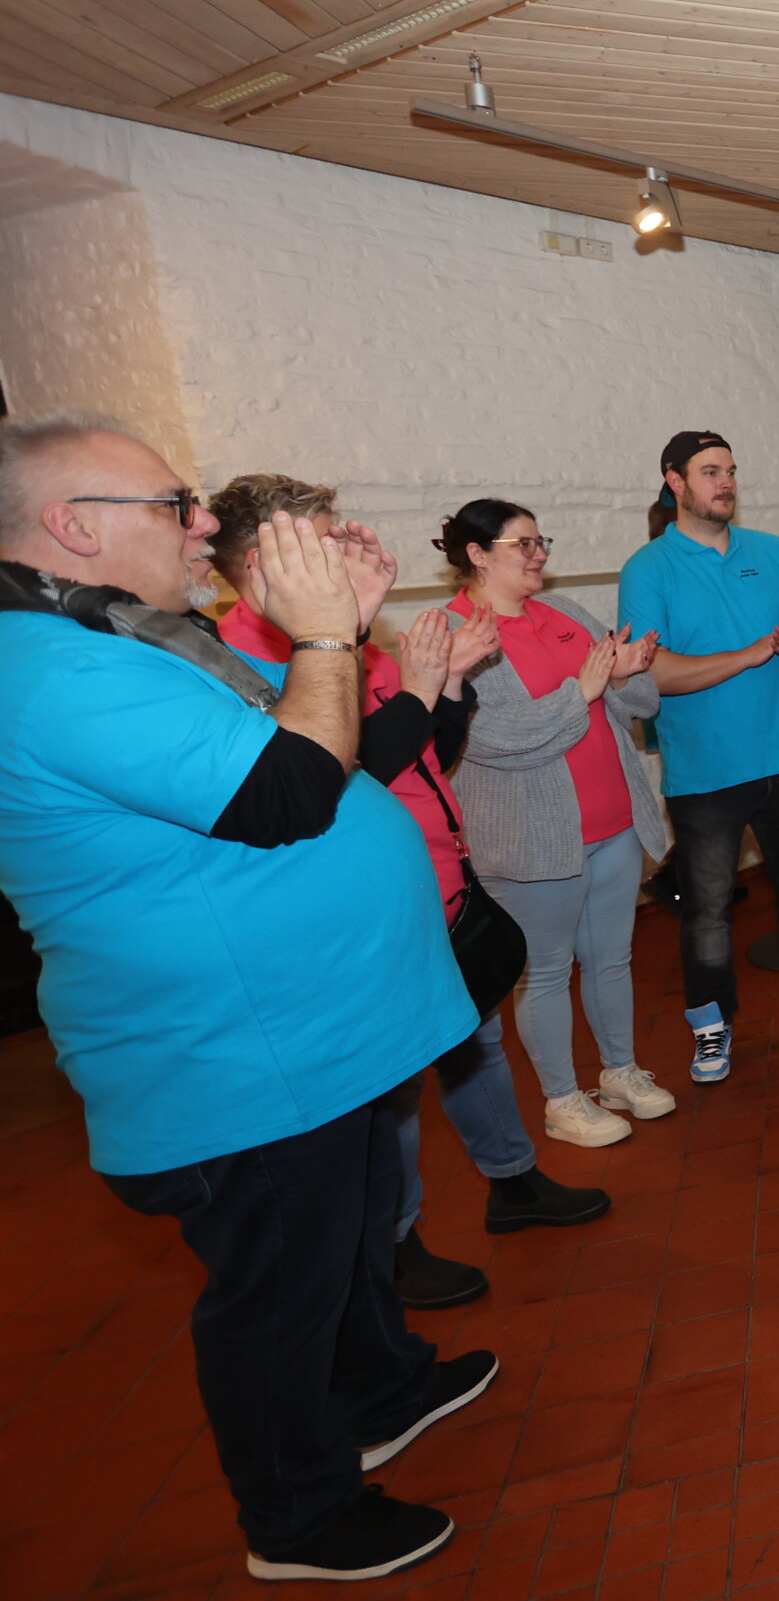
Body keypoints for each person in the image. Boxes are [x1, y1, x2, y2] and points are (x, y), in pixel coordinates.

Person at [0, 414, 491, 1581]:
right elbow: (289, 791)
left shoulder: (127, 634)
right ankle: (298, 1518)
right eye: (176, 506)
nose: (205, 522)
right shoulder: (50, 671)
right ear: (72, 526)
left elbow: (331, 742)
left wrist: (343, 631)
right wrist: (323, 635)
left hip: (317, 1033)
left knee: (351, 1232)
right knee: (279, 1292)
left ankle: (379, 1390)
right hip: (241, 1056)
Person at [206, 476, 608, 1313]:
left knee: (471, 1043)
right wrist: (422, 686)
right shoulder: (244, 662)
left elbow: (429, 749)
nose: (345, 551)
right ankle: (397, 1241)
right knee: (390, 1086)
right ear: (263, 559)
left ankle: (513, 1179)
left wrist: (447, 684)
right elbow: (343, 774)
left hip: (434, 886)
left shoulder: (348, 637)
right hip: (365, 911)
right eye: (325, 541)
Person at [618, 431, 779, 1088]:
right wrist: (756, 651)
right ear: (675, 481)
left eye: (731, 470)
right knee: (707, 906)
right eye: (710, 471)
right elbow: (656, 672)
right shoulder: (649, 569)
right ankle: (710, 1024)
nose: (726, 482)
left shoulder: (773, 551)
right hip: (706, 771)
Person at [439, 499, 679, 1146]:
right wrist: (584, 689)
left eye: (540, 540)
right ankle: (562, 1099)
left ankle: (620, 1072)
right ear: (477, 554)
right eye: (521, 544)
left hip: (614, 824)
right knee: (545, 971)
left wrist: (625, 674)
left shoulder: (566, 612)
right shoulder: (455, 634)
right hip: (534, 840)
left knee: (612, 959)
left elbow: (637, 703)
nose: (539, 553)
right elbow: (496, 738)